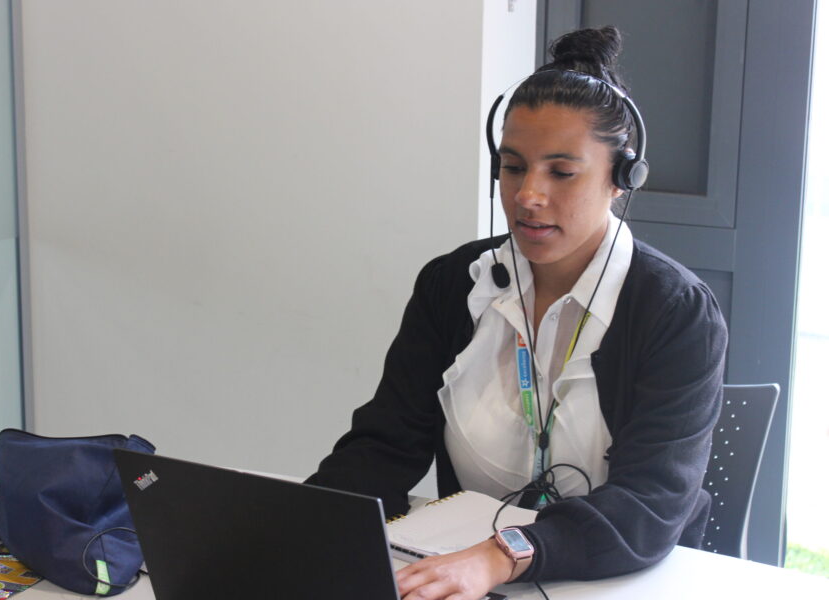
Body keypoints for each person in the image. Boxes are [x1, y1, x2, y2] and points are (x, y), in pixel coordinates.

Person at [306, 25, 727, 600]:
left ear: (622, 179)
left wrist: (502, 557)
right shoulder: (455, 284)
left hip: (620, 579)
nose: (528, 194)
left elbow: (649, 504)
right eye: (512, 167)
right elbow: (385, 445)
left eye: (561, 171)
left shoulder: (675, 311)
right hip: (471, 577)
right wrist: (298, 528)